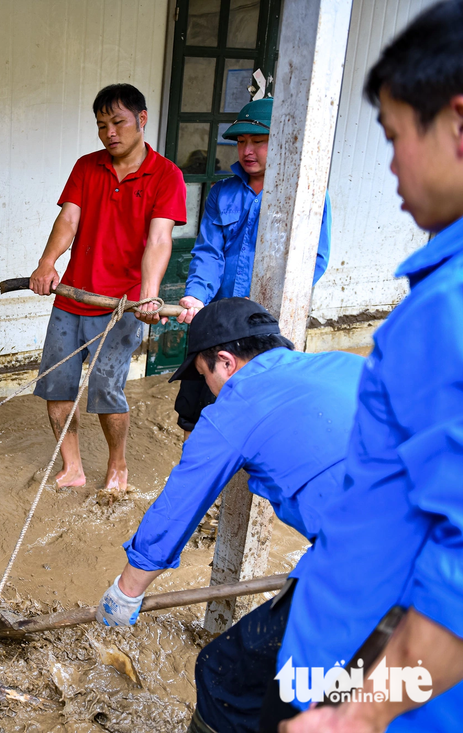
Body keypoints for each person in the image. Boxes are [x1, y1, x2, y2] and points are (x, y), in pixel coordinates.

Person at [273, 2, 463, 731]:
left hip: (375, 674)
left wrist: (358, 713)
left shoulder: (449, 306)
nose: (388, 167)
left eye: (392, 138)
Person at [94, 298, 363, 733]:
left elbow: (179, 505)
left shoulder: (235, 407)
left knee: (223, 675)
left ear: (225, 361)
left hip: (373, 563)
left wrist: (127, 590)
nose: (210, 390)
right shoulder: (343, 365)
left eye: (204, 377)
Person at [28, 83, 186, 496]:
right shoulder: (86, 166)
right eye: (101, 125)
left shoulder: (166, 175)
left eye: (117, 122)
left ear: (142, 120)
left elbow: (159, 240)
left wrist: (149, 294)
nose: (109, 132)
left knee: (104, 386)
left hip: (124, 305)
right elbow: (69, 220)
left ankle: (118, 465)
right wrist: (48, 263)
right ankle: (73, 465)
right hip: (73, 297)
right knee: (57, 385)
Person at [174, 97, 332, 436]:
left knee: (257, 417)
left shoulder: (308, 195)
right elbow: (209, 254)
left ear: (281, 142)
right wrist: (195, 296)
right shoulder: (222, 193)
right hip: (216, 321)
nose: (247, 150)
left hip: (264, 329)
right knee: (198, 414)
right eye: (241, 141)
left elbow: (314, 260)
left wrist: (268, 309)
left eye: (258, 141)